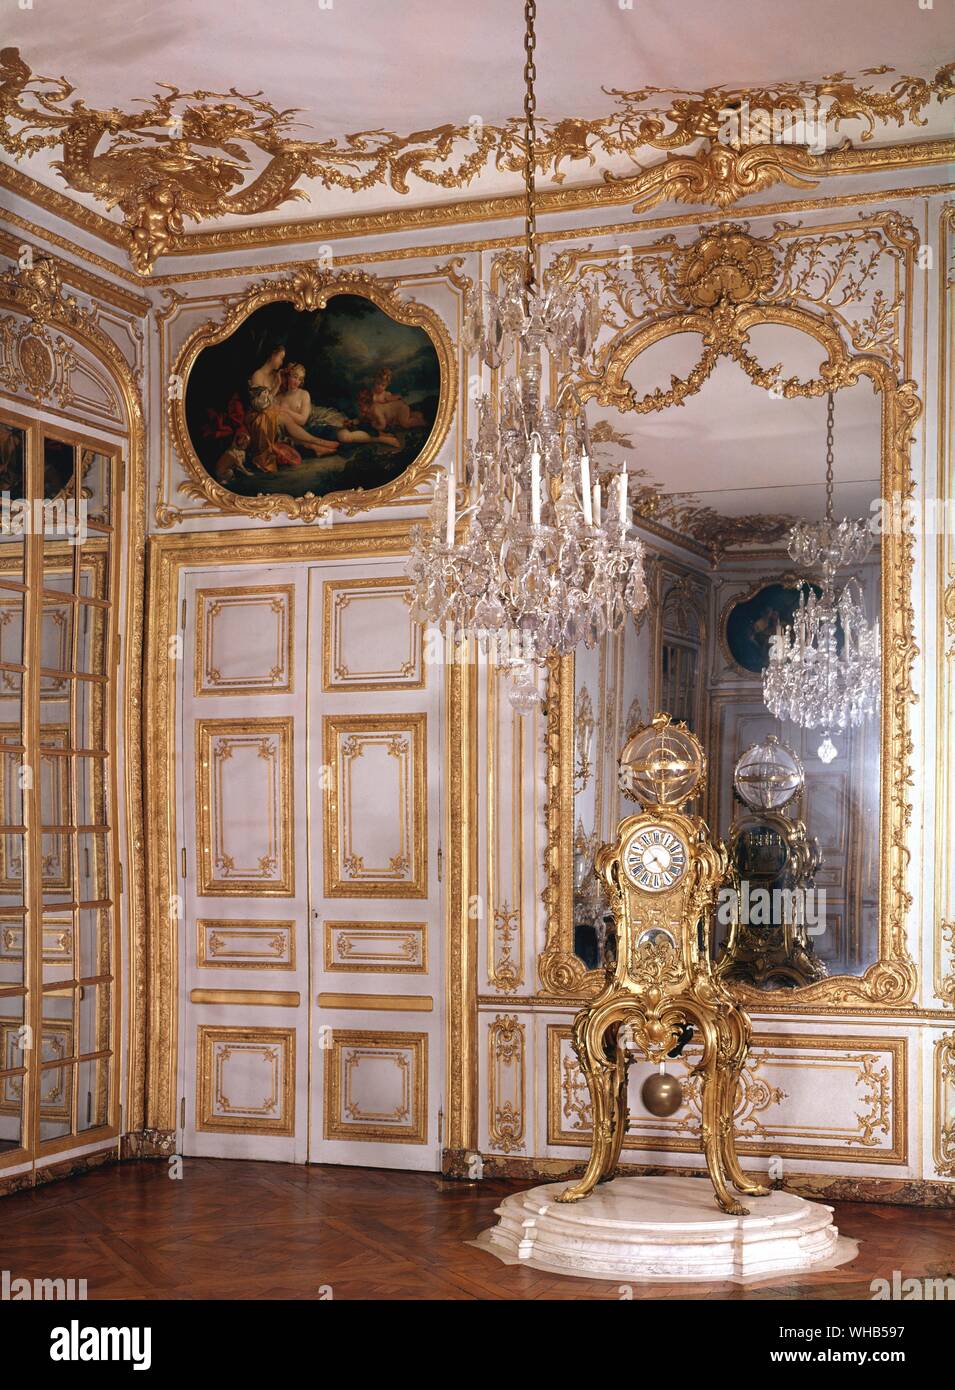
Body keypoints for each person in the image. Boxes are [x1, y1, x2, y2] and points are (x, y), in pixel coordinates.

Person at [276, 363, 400, 449]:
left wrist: (285, 410)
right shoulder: (279, 397)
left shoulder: (303, 394)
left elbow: (303, 420)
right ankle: (379, 435)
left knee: (345, 435)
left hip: (320, 423)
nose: (296, 382)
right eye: (294, 377)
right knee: (344, 436)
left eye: (300, 379)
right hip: (306, 433)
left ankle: (380, 438)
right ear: (287, 376)